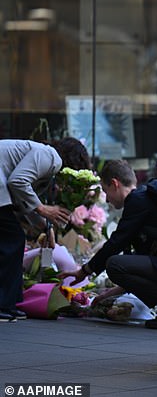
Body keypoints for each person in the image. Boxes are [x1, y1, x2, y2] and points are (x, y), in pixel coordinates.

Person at [60, 160, 157, 330]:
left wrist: (85, 271)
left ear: (114, 184)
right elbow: (140, 269)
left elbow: (116, 243)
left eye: (105, 191)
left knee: (114, 264)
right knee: (119, 264)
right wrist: (109, 293)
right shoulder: (147, 198)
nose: (108, 201)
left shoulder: (138, 200)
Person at [0, 138, 87, 322]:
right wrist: (44, 209)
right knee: (12, 240)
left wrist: (44, 227)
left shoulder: (47, 162)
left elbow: (22, 197)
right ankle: (4, 304)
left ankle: (10, 303)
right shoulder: (51, 156)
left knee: (13, 239)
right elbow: (18, 182)